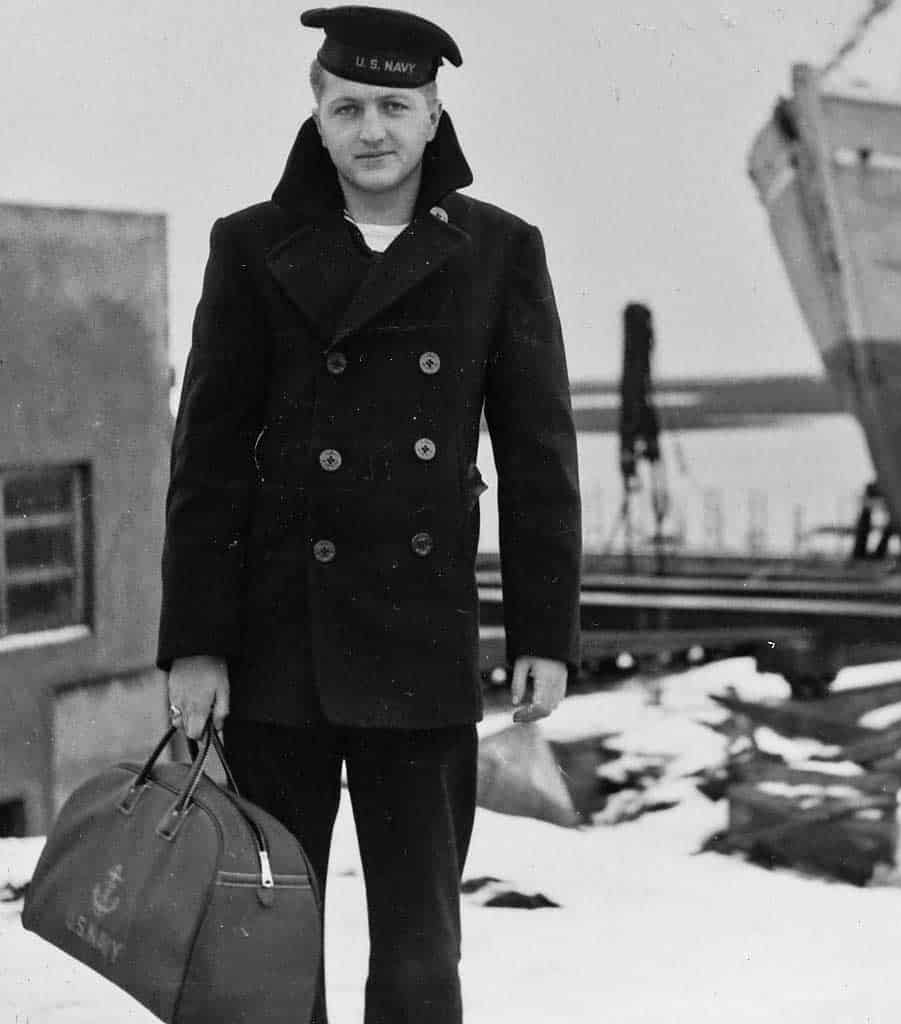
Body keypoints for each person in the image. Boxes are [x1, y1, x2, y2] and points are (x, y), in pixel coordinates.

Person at [156, 7, 582, 1022]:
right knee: (268, 942)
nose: (371, 129)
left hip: (421, 651)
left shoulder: (498, 250)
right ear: (317, 112)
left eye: (395, 105)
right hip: (277, 648)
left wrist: (544, 635)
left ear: (435, 115)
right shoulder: (251, 245)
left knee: (422, 954)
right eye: (347, 105)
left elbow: (537, 461)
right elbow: (206, 461)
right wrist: (196, 647)